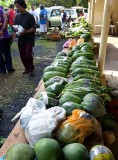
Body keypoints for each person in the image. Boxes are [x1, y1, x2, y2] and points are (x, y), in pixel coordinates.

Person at [14, 0, 36, 76]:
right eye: (16, 7)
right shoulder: (17, 16)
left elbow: (34, 28)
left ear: (23, 6)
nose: (17, 8)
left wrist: (25, 32)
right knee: (22, 55)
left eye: (18, 6)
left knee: (28, 54)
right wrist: (15, 29)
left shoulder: (30, 16)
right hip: (20, 39)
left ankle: (31, 68)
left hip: (29, 39)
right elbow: (15, 26)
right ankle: (26, 68)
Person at [0, 6, 15, 75]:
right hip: (4, 37)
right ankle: (9, 68)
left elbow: (6, 20)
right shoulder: (1, 11)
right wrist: (2, 30)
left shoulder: (1, 11)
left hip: (4, 37)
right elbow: (6, 20)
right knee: (7, 53)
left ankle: (2, 70)